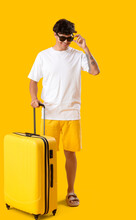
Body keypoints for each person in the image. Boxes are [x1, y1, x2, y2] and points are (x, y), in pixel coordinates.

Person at [28, 19, 100, 207]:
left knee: (70, 154)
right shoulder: (43, 56)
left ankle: (71, 191)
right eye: (63, 38)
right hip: (49, 114)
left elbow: (95, 71)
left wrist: (86, 48)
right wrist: (34, 98)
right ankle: (45, 191)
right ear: (54, 34)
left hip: (71, 114)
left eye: (69, 38)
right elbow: (33, 80)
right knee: (46, 155)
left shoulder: (77, 55)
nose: (66, 42)